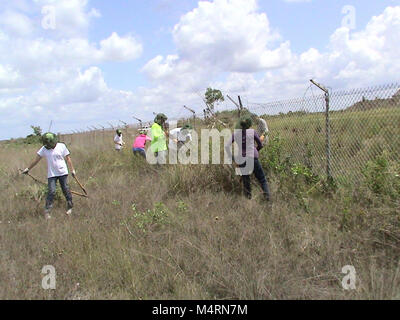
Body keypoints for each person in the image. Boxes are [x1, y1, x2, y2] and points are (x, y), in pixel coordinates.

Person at [22, 132, 76, 219]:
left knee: (65, 189)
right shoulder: (44, 149)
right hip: (52, 174)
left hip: (62, 172)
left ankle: (70, 207)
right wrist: (28, 168)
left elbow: (68, 159)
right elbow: (36, 160)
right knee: (51, 191)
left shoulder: (61, 146)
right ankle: (47, 211)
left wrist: (72, 170)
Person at [225, 116, 271, 202]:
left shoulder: (235, 134)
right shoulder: (252, 132)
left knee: (246, 180)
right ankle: (267, 197)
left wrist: (232, 157)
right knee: (262, 179)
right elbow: (260, 144)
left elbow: (227, 145)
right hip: (253, 158)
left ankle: (248, 199)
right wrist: (255, 151)